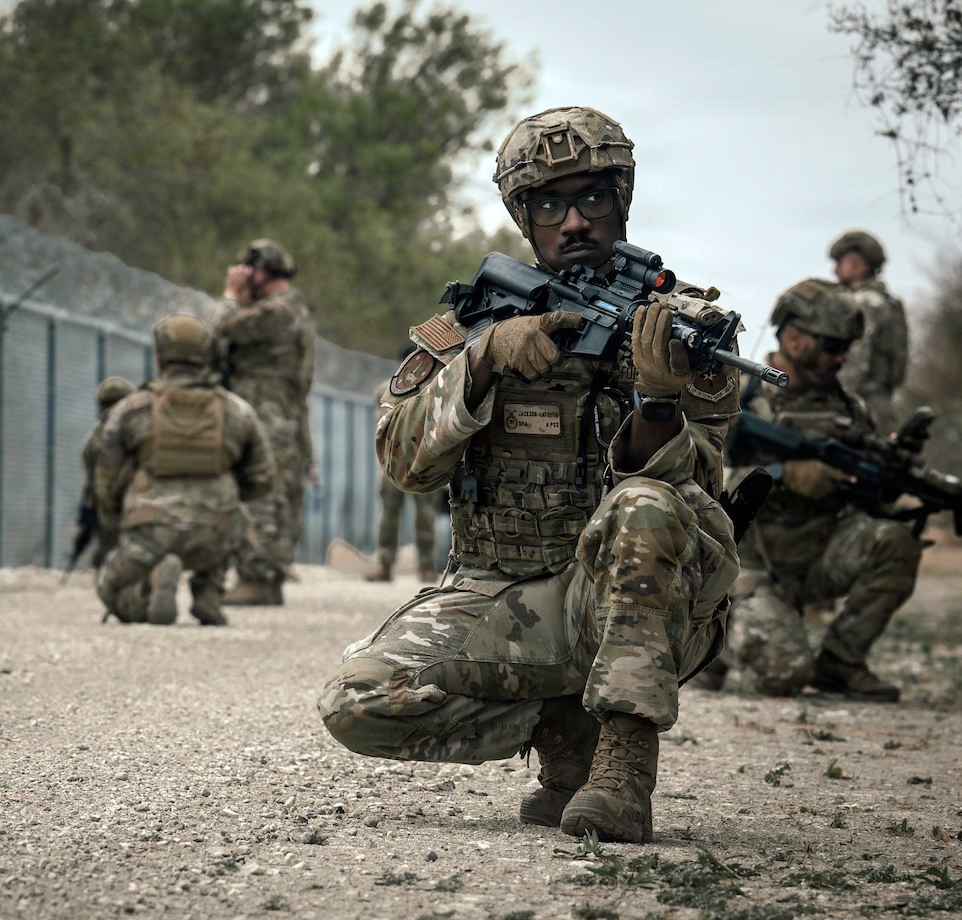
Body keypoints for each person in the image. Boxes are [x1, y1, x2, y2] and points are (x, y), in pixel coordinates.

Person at [317, 106, 742, 844]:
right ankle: (563, 728)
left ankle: (621, 770)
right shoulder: (473, 327)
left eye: (593, 199)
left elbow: (698, 486)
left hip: (639, 604)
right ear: (524, 217)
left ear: (622, 201)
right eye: (550, 203)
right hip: (504, 592)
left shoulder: (685, 332)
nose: (573, 221)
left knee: (643, 504)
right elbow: (402, 462)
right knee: (358, 702)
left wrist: (659, 399)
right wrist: (481, 366)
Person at [720, 278, 922, 703]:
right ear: (793, 336)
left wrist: (884, 485)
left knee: (894, 543)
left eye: (846, 347)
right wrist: (785, 473)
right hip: (749, 569)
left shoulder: (849, 409)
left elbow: (869, 500)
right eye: (832, 345)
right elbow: (699, 483)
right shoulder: (736, 395)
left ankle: (841, 664)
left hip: (816, 557)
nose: (841, 357)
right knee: (784, 676)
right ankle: (718, 638)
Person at [93, 313, 275, 626]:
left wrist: (117, 525)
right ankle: (208, 593)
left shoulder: (131, 409)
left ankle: (143, 594)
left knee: (110, 589)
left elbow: (105, 478)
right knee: (232, 511)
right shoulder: (237, 410)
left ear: (160, 360)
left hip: (148, 533)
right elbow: (262, 477)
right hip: (214, 535)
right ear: (205, 362)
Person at [214, 239, 317, 606]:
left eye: (247, 269)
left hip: (263, 413)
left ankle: (257, 576)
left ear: (262, 271)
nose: (242, 276)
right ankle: (269, 577)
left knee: (258, 491)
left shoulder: (276, 311)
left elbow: (222, 328)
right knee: (279, 494)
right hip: (284, 414)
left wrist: (230, 295)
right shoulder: (296, 310)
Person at [364, 352, 440, 584]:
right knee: (389, 515)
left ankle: (426, 567)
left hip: (423, 459)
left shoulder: (433, 387)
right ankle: (385, 565)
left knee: (425, 516)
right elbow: (383, 424)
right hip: (395, 461)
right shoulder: (387, 389)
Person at [829, 230, 908, 434]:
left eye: (840, 262)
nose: (834, 270)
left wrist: (834, 407)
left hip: (860, 414)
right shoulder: (889, 303)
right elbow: (898, 369)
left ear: (855, 265)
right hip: (882, 410)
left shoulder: (863, 304)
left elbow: (854, 364)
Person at [77, 376, 135, 570]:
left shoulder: (94, 439)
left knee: (107, 559)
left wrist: (86, 522)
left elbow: (91, 488)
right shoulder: (140, 430)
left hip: (109, 515)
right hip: (141, 508)